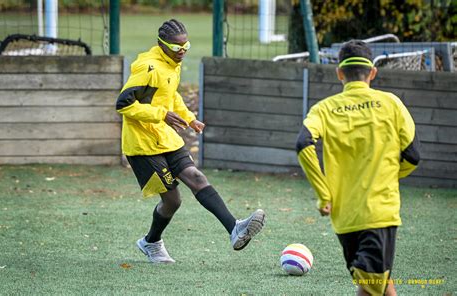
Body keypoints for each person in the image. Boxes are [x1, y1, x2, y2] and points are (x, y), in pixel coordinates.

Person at [115, 19, 265, 264]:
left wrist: (189, 118)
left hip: (166, 138)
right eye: (176, 47)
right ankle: (151, 242)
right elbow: (123, 104)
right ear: (161, 45)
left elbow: (170, 96)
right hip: (143, 146)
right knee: (173, 201)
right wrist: (160, 114)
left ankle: (234, 228)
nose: (182, 51)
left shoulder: (172, 64)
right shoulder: (147, 68)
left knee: (197, 177)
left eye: (186, 46)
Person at [295, 40, 420, 295]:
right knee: (373, 285)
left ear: (339, 73)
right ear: (372, 72)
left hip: (345, 219)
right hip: (380, 213)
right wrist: (385, 176)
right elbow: (412, 155)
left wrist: (324, 195)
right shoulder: (392, 104)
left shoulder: (323, 109)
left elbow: (303, 143)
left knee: (378, 283)